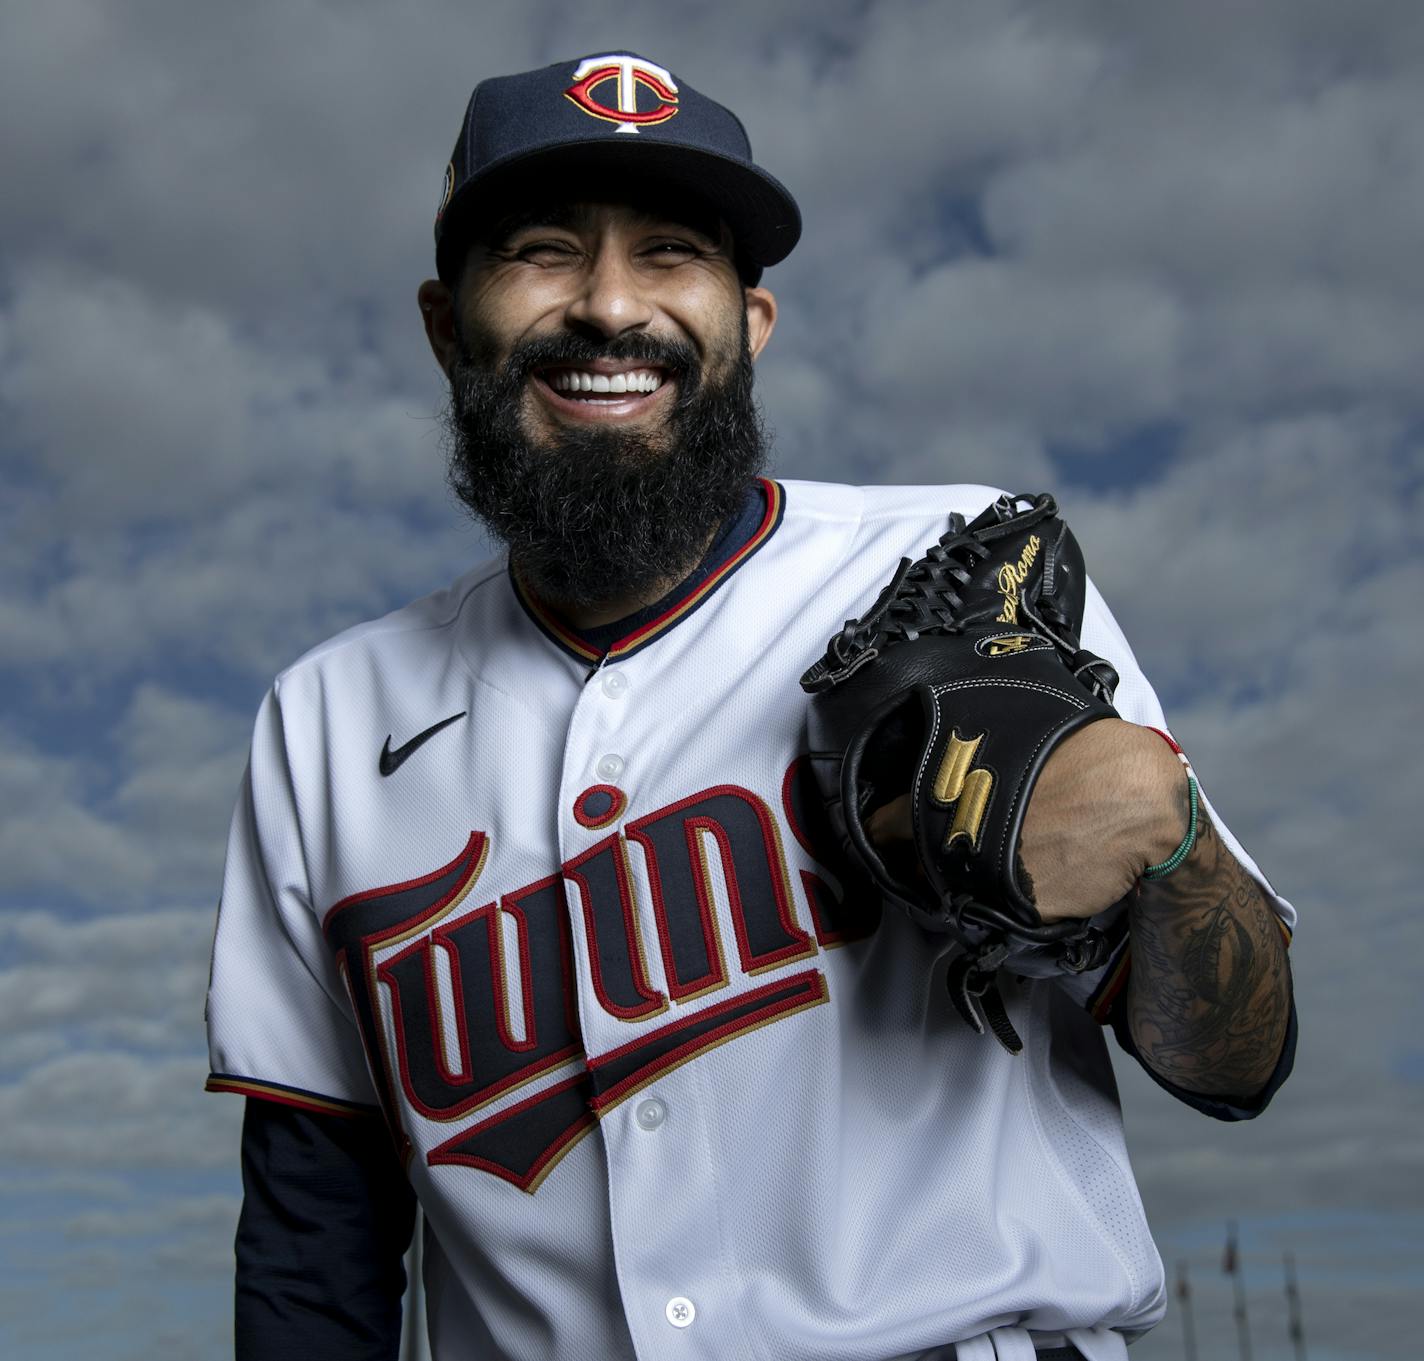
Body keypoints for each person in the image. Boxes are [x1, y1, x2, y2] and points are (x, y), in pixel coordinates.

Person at [204, 51, 1295, 1361]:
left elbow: (1239, 1059)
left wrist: (1168, 850)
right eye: (544, 250)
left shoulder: (953, 576)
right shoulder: (327, 720)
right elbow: (315, 1236)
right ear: (450, 324)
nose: (611, 305)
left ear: (750, 323)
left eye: (671, 253)